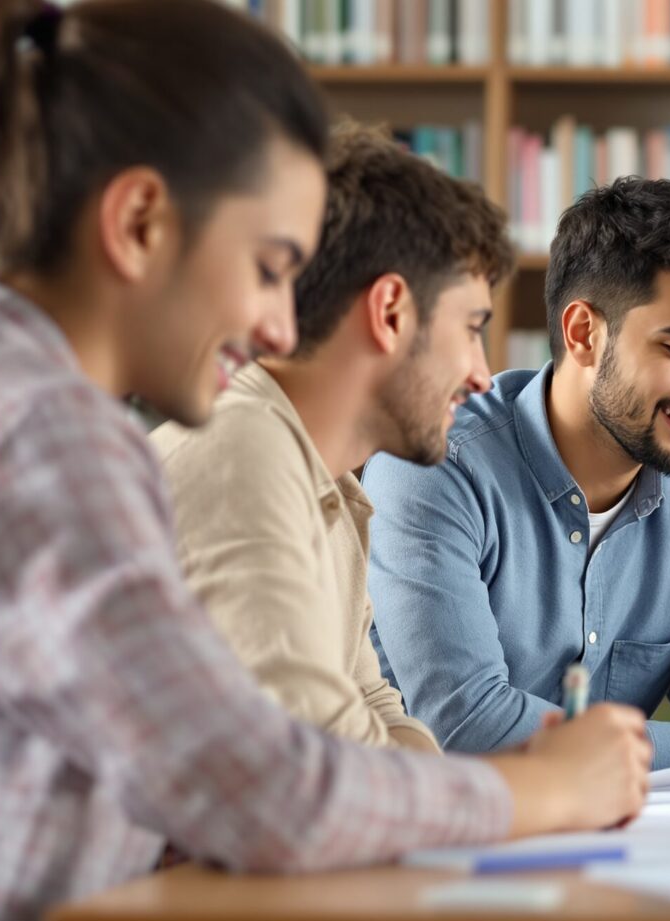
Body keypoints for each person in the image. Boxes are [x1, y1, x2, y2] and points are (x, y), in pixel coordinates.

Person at [0, 3, 648, 921]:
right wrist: (547, 787)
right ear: (141, 223)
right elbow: (263, 789)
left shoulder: (10, 400)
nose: (282, 328)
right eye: (269, 264)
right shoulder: (35, 434)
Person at [363, 176, 670, 785]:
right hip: (438, 839)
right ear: (584, 335)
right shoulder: (434, 461)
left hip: (617, 840)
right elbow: (463, 722)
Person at [151, 122, 508, 756]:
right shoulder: (240, 451)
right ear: (391, 311)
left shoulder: (331, 481)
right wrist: (551, 786)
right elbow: (316, 763)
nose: (483, 376)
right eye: (472, 328)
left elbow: (373, 713)